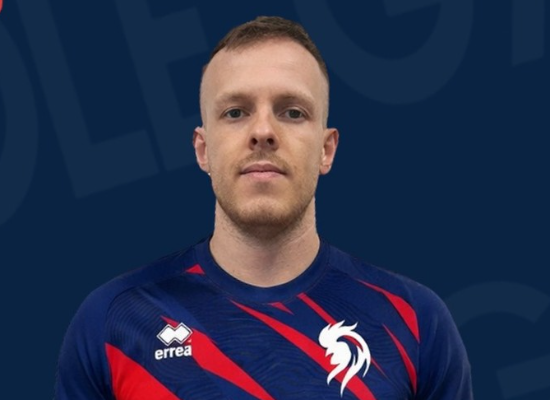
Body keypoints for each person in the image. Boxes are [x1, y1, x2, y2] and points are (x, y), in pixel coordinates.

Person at [55, 16, 473, 400]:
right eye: (235, 112)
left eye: (292, 112)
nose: (262, 131)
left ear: (326, 149)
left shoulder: (415, 322)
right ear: (202, 149)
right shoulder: (113, 321)